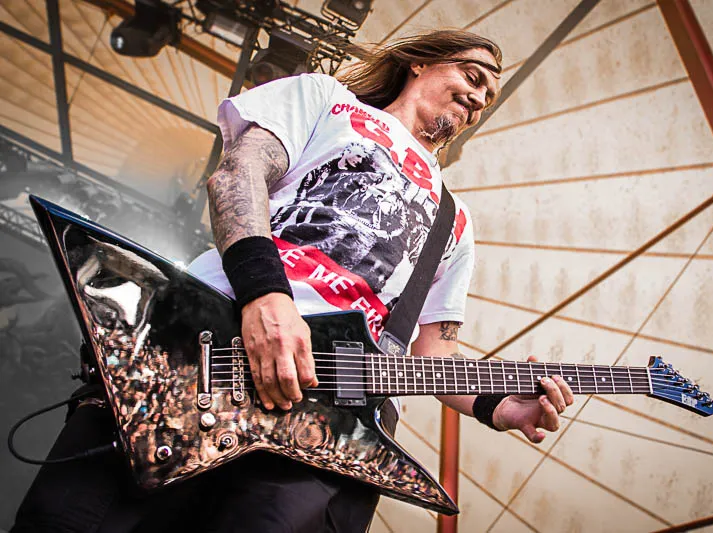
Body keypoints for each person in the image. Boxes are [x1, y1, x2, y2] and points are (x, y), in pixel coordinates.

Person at [12, 29, 573, 533]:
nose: (479, 97)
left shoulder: (456, 220)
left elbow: (433, 354)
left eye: (488, 97)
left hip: (329, 432)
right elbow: (238, 174)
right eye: (472, 76)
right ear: (420, 63)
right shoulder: (326, 100)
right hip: (199, 355)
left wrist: (496, 405)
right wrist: (265, 295)